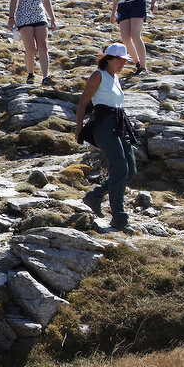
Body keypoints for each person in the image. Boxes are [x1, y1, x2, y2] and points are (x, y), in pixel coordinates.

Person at [74, 44, 139, 231]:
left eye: (125, 60)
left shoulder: (116, 77)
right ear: (108, 58)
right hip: (103, 124)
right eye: (119, 60)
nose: (122, 63)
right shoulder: (98, 75)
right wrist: (79, 129)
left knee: (130, 170)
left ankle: (95, 195)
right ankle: (119, 218)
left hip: (119, 124)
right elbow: (83, 103)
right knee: (119, 168)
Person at [7, 0, 58, 85]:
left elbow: (47, 1)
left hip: (40, 15)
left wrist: (52, 18)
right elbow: (13, 0)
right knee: (30, 47)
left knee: (43, 45)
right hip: (24, 15)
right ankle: (31, 74)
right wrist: (11, 17)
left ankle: (46, 76)